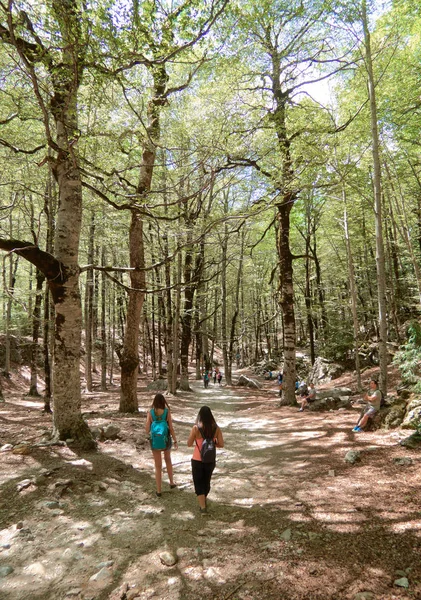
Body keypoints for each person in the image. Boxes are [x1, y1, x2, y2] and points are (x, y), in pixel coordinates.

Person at [187, 406, 224, 515]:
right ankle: (203, 499)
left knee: (198, 482)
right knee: (206, 481)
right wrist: (212, 443)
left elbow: (189, 444)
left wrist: (198, 441)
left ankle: (202, 507)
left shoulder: (196, 428)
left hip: (197, 459)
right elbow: (221, 444)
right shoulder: (216, 428)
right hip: (210, 460)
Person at [145, 393, 178, 497]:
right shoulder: (167, 412)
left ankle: (158, 490)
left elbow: (147, 430)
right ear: (164, 402)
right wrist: (175, 440)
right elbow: (171, 428)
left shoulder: (150, 413)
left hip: (155, 441)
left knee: (158, 466)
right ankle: (171, 482)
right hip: (166, 439)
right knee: (168, 459)